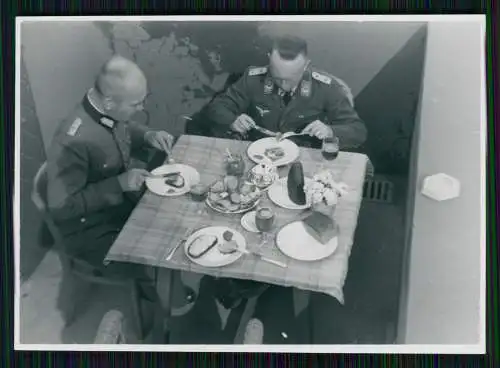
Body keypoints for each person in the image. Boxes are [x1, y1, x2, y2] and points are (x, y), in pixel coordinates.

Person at [45, 55, 179, 335]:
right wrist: (118, 184)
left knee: (171, 218)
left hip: (116, 204)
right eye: (136, 104)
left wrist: (149, 135)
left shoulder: (105, 110)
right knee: (153, 250)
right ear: (108, 102)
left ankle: (164, 285)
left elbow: (122, 126)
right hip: (89, 229)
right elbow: (61, 207)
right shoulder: (72, 140)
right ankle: (155, 309)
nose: (142, 108)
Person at [205, 35, 367, 149]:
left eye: (290, 79)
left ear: (305, 66)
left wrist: (330, 131)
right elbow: (217, 107)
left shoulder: (326, 87)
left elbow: (358, 131)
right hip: (260, 154)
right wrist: (233, 120)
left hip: (306, 157)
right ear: (269, 59)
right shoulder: (253, 78)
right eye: (277, 77)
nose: (283, 84)